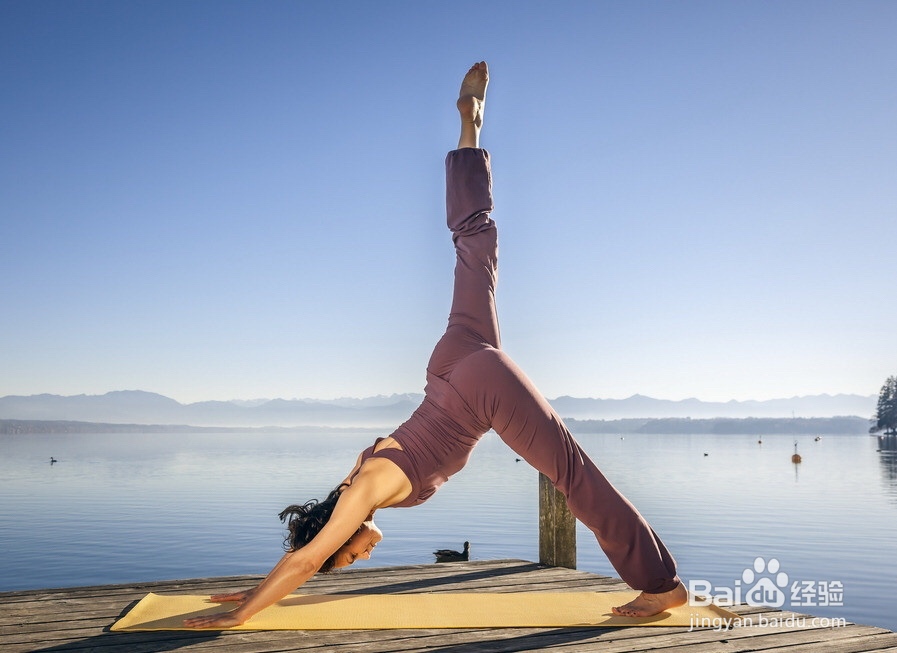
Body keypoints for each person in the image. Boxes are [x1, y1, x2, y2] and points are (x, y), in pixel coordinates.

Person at [184, 61, 686, 629]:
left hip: (475, 391)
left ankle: (660, 586)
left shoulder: (363, 493)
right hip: (451, 361)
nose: (361, 556)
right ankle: (470, 131)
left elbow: (306, 557)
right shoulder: (357, 473)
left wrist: (242, 613)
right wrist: (256, 590)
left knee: (571, 473)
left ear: (343, 532)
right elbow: (307, 548)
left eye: (350, 555)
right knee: (474, 246)